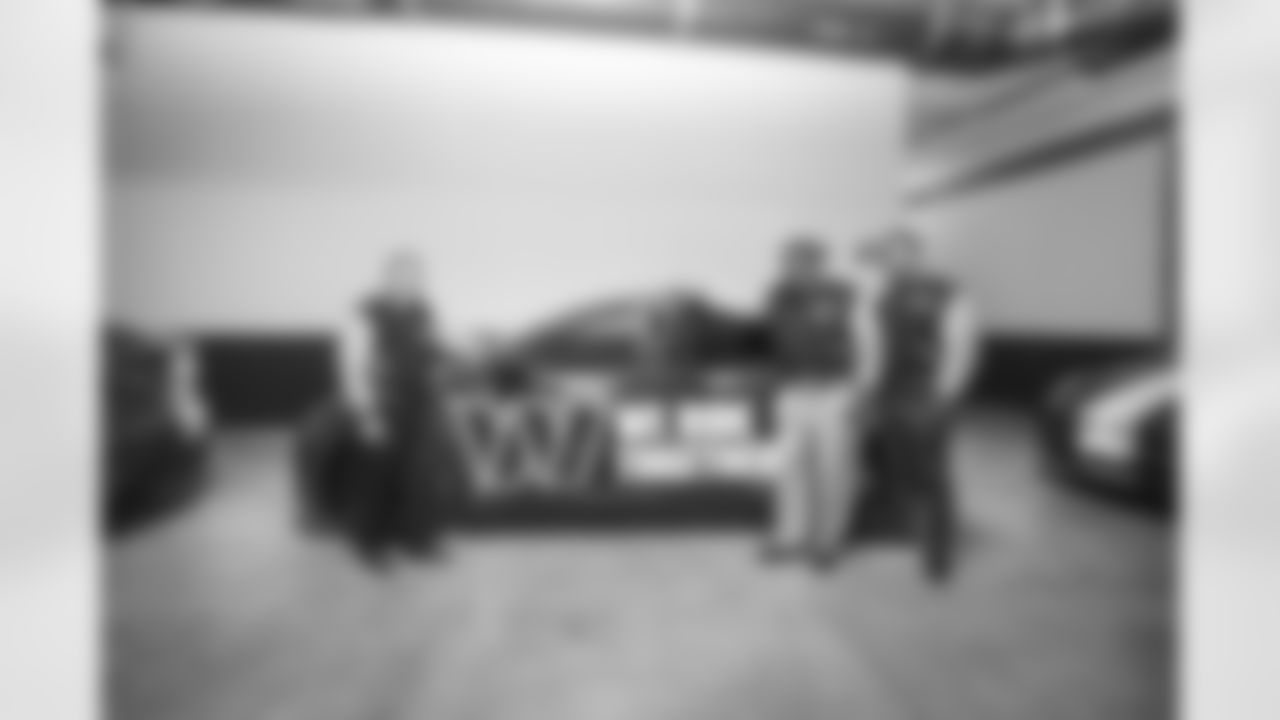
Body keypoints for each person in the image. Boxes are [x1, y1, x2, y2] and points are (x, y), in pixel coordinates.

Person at [307, 248, 453, 567]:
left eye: (416, 277)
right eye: (403, 276)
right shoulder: (365, 312)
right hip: (380, 405)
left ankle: (419, 540)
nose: (410, 283)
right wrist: (367, 414)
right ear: (387, 278)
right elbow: (351, 367)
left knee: (417, 477)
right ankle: (369, 545)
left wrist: (439, 373)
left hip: (418, 405)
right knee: (374, 478)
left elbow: (434, 351)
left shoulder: (425, 310)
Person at [763, 236, 882, 570]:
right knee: (788, 468)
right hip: (791, 392)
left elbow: (871, 345)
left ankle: (829, 541)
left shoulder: (848, 295)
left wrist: (864, 392)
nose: (789, 266)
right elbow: (778, 342)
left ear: (817, 263)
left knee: (835, 468)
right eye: (786, 260)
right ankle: (791, 536)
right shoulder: (778, 294)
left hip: (836, 392)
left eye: (798, 260)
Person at [872, 227, 981, 585]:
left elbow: (961, 345)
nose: (892, 260)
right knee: (905, 474)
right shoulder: (883, 292)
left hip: (927, 396)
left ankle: (939, 555)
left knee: (933, 476)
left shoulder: (946, 289)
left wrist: (945, 396)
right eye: (887, 254)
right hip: (889, 395)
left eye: (898, 252)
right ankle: (917, 535)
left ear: (915, 252)